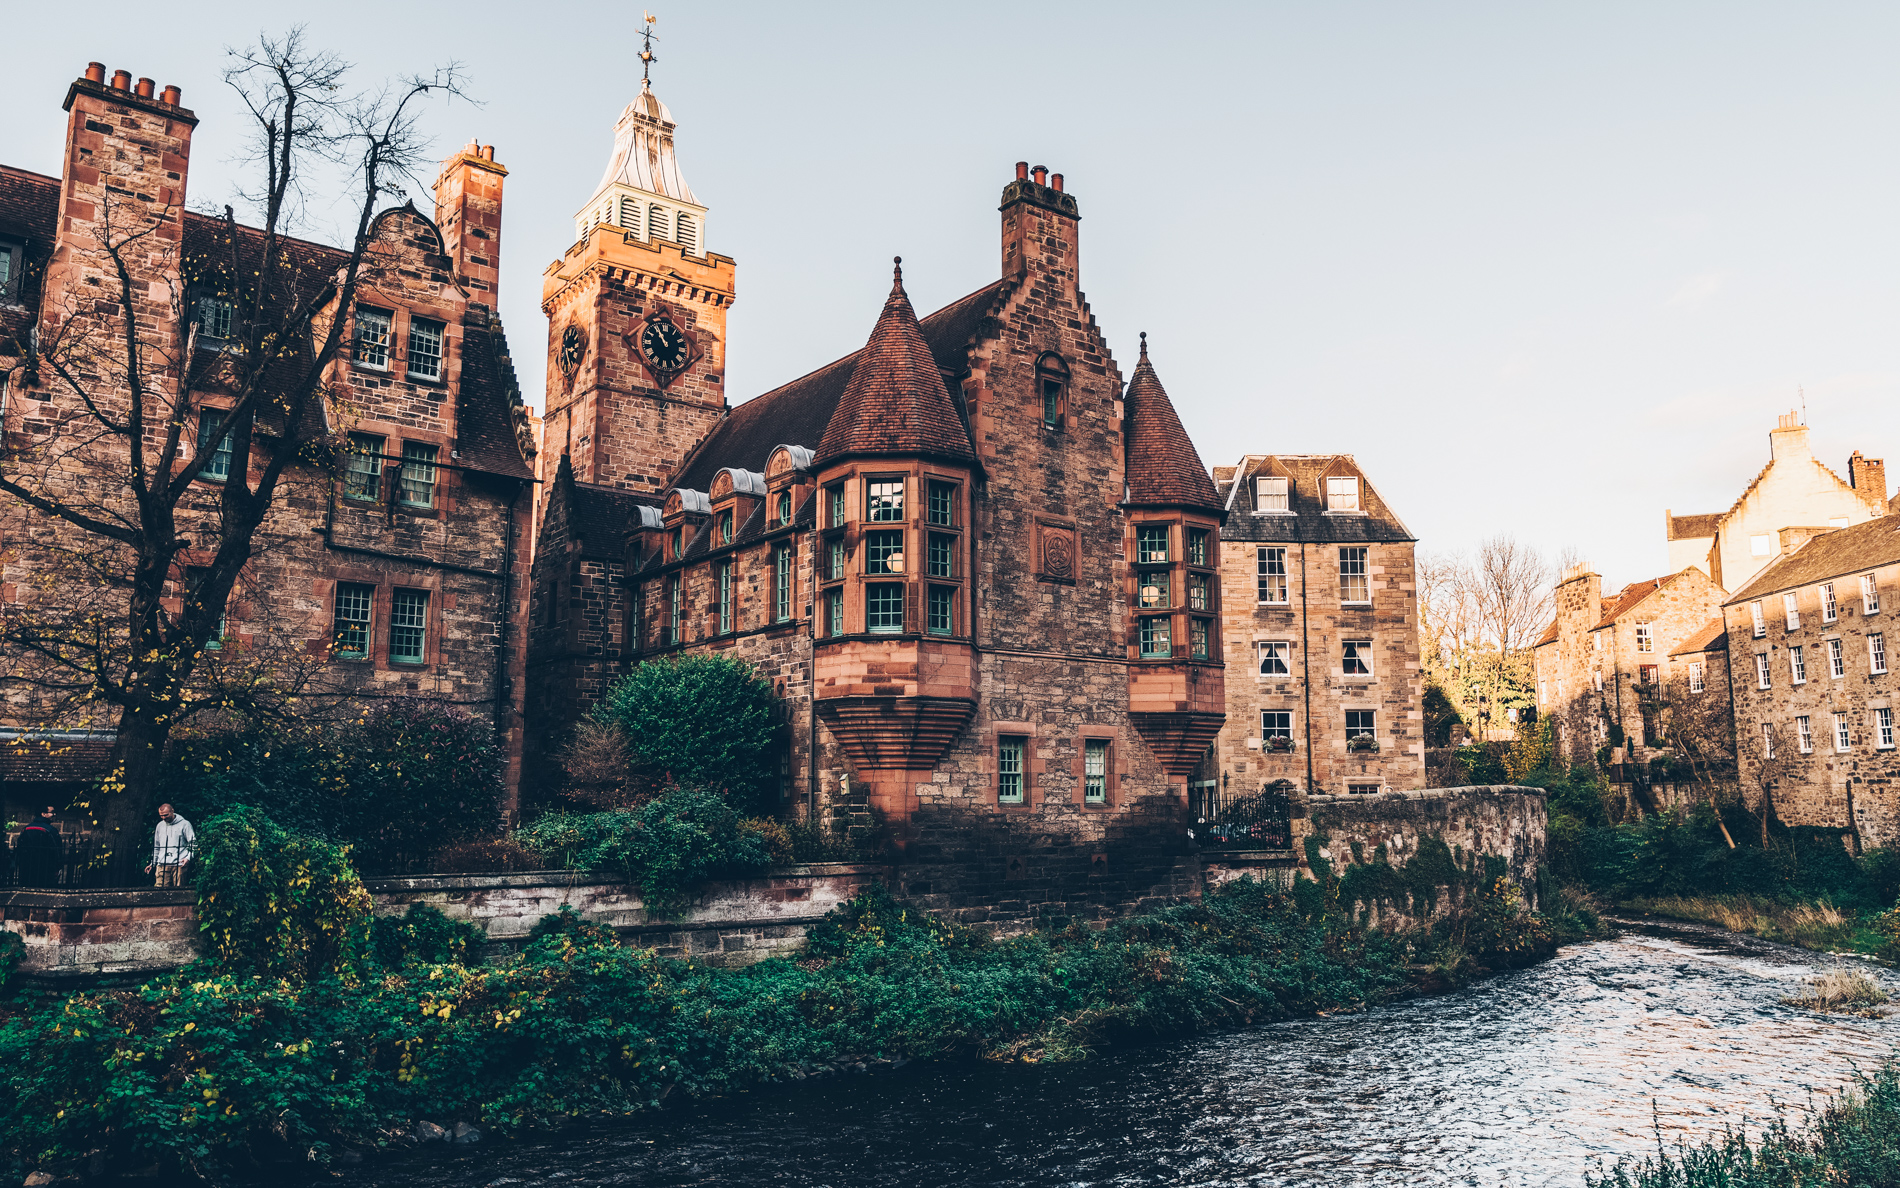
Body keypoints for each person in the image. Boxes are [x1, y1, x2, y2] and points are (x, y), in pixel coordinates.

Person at [146, 803, 195, 887]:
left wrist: (188, 858)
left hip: (179, 864)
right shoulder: (160, 825)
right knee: (160, 892)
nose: (163, 818)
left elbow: (192, 843)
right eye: (161, 816)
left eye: (166, 815)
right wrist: (152, 863)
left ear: (172, 811)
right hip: (162, 864)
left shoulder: (185, 824)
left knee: (178, 892)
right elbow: (157, 846)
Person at [14, 805, 62, 888]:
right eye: (52, 812)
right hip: (45, 867)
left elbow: (20, 848)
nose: (54, 814)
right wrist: (57, 867)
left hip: (27, 867)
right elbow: (57, 850)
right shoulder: (50, 830)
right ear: (43, 814)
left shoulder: (26, 829)